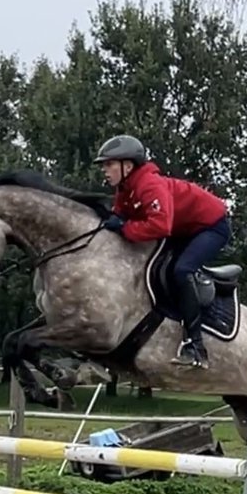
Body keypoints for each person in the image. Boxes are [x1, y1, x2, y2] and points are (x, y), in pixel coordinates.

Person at [93, 134, 231, 369]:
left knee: (181, 270)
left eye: (109, 164)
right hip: (184, 228)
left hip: (212, 226)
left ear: (128, 166)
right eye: (104, 165)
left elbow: (160, 226)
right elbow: (120, 215)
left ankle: (196, 347)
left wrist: (125, 228)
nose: (104, 170)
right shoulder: (125, 189)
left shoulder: (149, 185)